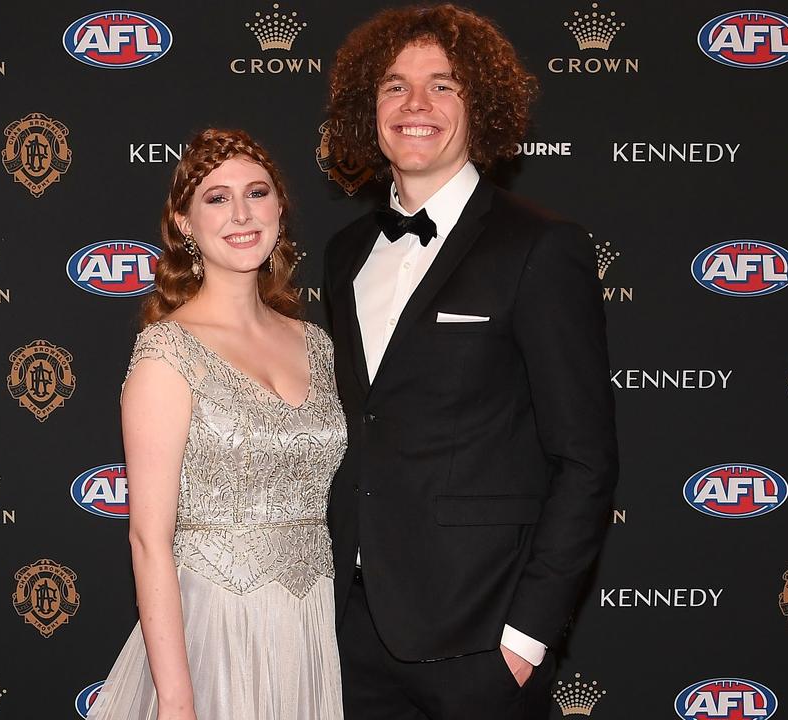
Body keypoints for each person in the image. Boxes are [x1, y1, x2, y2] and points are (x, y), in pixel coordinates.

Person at [322, 6, 619, 719]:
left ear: (479, 105)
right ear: (371, 107)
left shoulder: (541, 248)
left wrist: (526, 637)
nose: (415, 105)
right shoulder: (343, 255)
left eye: (443, 86)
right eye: (394, 86)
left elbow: (585, 458)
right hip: (348, 628)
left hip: (480, 639)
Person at [89, 129, 346, 720]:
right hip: (215, 629)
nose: (241, 214)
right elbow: (149, 540)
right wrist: (177, 699)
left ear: (280, 209)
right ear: (183, 222)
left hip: (310, 624)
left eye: (256, 193)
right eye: (215, 197)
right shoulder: (167, 352)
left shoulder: (319, 345)